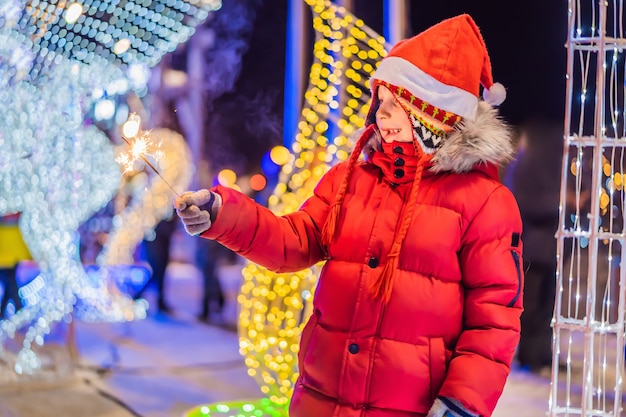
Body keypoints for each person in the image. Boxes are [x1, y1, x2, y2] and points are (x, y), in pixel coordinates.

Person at [176, 14, 524, 417]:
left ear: (433, 115)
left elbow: (494, 320)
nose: (380, 117)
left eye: (396, 107)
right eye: (381, 104)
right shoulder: (350, 178)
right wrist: (223, 214)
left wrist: (460, 404)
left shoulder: (484, 202)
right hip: (324, 397)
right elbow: (296, 239)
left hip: (407, 406)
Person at [134, 210, 178, 313]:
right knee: (157, 272)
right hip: (155, 243)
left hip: (162, 242)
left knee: (160, 273)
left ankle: (157, 300)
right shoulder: (158, 207)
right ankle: (139, 295)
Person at [0, 213, 31, 319]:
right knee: (10, 283)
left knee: (10, 283)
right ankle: (17, 310)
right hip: (8, 251)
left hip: (9, 251)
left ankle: (15, 311)